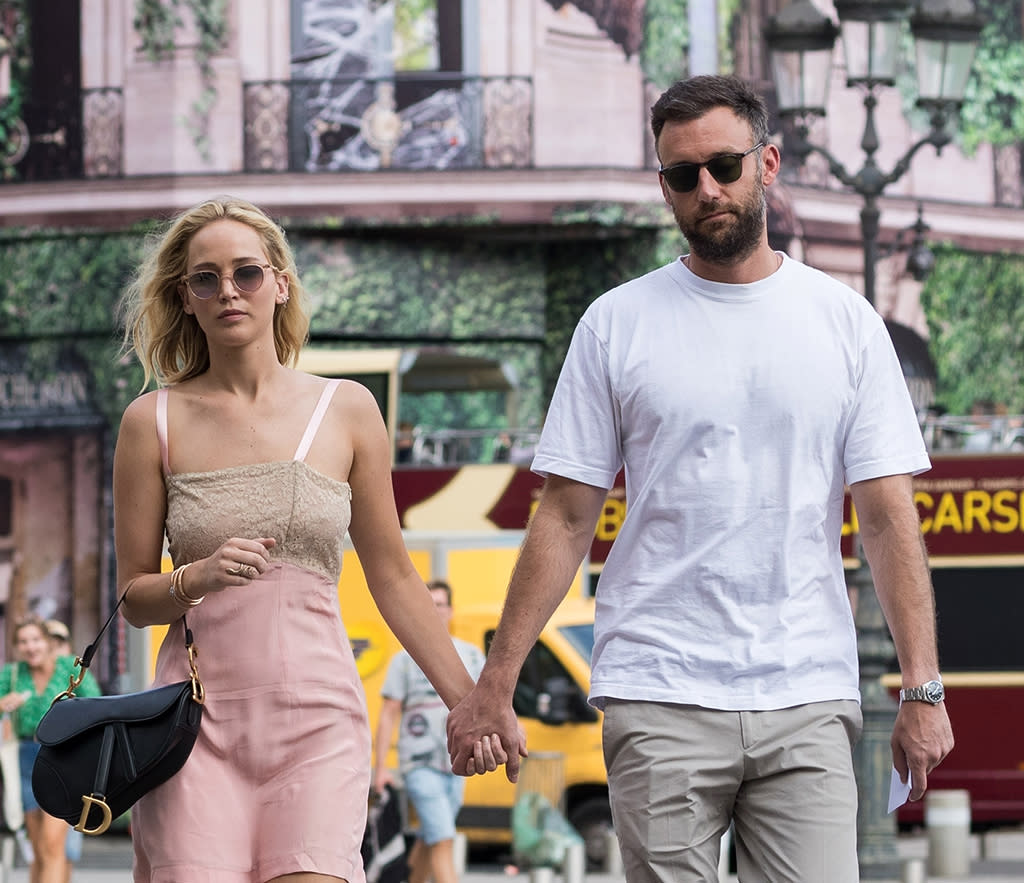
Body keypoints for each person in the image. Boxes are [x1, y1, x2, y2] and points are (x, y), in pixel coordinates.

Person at [446, 75, 953, 882]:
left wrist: (922, 690)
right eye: (683, 175)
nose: (707, 189)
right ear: (664, 186)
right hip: (659, 686)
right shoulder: (616, 322)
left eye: (723, 165)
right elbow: (567, 515)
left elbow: (889, 520)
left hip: (807, 692)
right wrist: (495, 680)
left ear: (769, 162)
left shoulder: (846, 321)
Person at [113, 196, 506, 883]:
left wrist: (469, 701)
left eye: (247, 272)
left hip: (317, 721)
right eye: (206, 278)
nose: (228, 290)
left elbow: (394, 578)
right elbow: (134, 597)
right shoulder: (152, 421)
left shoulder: (347, 408)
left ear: (281, 282)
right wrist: (194, 577)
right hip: (191, 728)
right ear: (186, 297)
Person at [373, 580, 485, 883]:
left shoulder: (473, 656)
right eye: (429, 605)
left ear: (450, 611)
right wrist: (381, 768)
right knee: (443, 837)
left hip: (459, 765)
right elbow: (388, 716)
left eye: (440, 605)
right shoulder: (404, 661)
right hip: (419, 764)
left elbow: (489, 705)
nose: (435, 612)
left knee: (430, 836)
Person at [0, 616, 101, 883]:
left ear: (47, 643)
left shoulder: (69, 668)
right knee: (39, 850)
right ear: (16, 647)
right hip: (25, 760)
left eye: (35, 640)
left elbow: (97, 705)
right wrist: (2, 707)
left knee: (53, 845)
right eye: (23, 642)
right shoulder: (11, 674)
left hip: (61, 759)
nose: (30, 647)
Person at [43, 620, 85, 883]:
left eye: (59, 641)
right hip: (29, 755)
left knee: (58, 845)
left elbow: (95, 704)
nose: (55, 647)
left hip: (67, 755)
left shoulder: (74, 671)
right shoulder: (25, 670)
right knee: (45, 848)